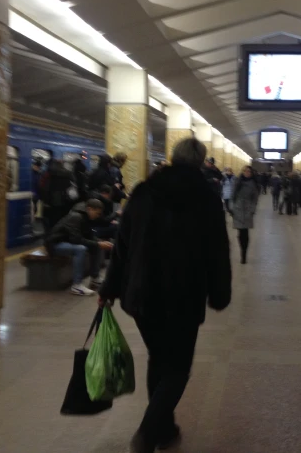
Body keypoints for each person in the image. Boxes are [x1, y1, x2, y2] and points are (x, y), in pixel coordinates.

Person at [99, 138, 232, 453]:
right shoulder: (207, 198)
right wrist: (219, 293)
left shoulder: (144, 192)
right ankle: (147, 433)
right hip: (184, 295)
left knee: (158, 359)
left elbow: (122, 245)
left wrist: (109, 287)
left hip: (142, 294)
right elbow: (217, 252)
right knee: (178, 367)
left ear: (172, 158)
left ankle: (164, 427)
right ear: (201, 162)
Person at [45, 198, 113, 296]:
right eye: (97, 213)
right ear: (89, 209)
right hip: (55, 244)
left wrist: (100, 242)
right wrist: (98, 243)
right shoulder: (76, 217)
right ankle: (77, 285)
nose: (98, 216)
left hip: (66, 241)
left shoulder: (86, 217)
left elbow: (89, 236)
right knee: (81, 249)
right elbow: (76, 240)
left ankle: (95, 278)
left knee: (96, 245)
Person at [40, 159, 78, 235]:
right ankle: (61, 237)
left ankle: (50, 237)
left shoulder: (47, 174)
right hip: (65, 203)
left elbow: (43, 188)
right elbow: (74, 188)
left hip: (51, 203)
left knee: (51, 222)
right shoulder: (68, 173)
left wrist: (45, 200)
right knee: (63, 221)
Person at [231, 166, 259, 264]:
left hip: (247, 209)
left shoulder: (253, 184)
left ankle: (244, 253)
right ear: (242, 172)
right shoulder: (237, 182)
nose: (247, 173)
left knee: (245, 232)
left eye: (249, 171)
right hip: (238, 208)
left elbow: (255, 198)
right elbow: (233, 195)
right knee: (240, 232)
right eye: (245, 171)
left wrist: (252, 209)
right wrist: (232, 207)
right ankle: (242, 250)